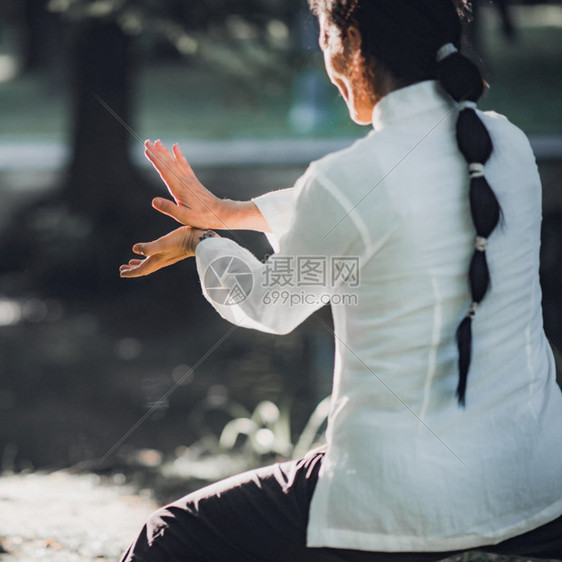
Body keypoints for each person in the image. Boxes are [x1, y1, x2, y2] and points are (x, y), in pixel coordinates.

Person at [118, 0, 562, 560]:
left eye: (324, 35)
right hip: (540, 484)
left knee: (172, 535)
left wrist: (200, 242)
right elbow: (377, 213)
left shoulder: (349, 181)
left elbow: (267, 306)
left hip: (403, 498)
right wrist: (231, 213)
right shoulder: (508, 146)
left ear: (350, 40)